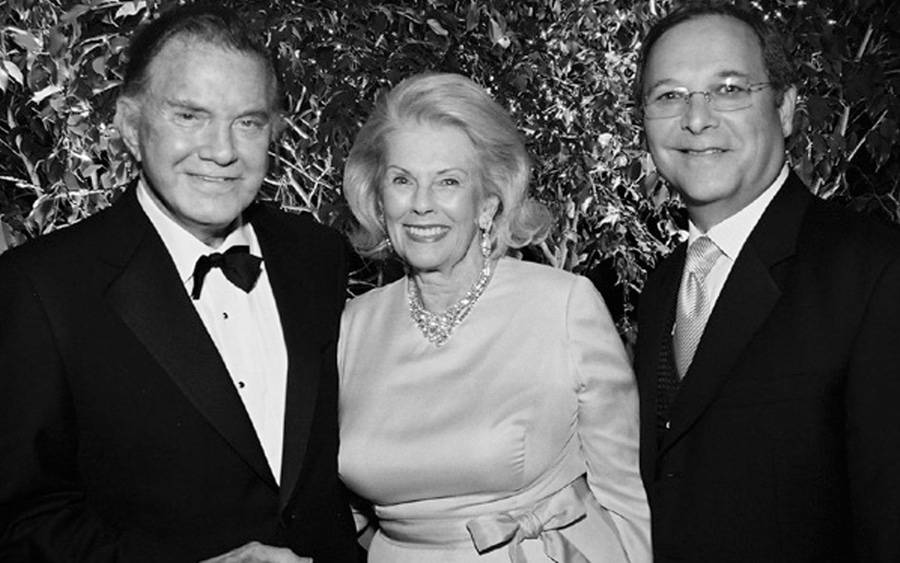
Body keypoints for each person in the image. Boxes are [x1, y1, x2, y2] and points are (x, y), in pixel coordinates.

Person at [0, 4, 358, 562]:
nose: (221, 150)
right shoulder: (41, 288)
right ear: (130, 126)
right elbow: (23, 520)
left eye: (248, 122)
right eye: (190, 116)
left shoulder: (316, 257)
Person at [338, 72, 651, 562]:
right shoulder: (352, 326)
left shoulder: (563, 305)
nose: (421, 204)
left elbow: (626, 495)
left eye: (448, 182)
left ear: (487, 204)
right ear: (379, 200)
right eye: (402, 180)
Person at [633, 2, 900, 562]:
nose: (697, 118)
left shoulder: (874, 272)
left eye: (728, 89)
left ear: (784, 109)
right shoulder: (662, 287)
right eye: (669, 95)